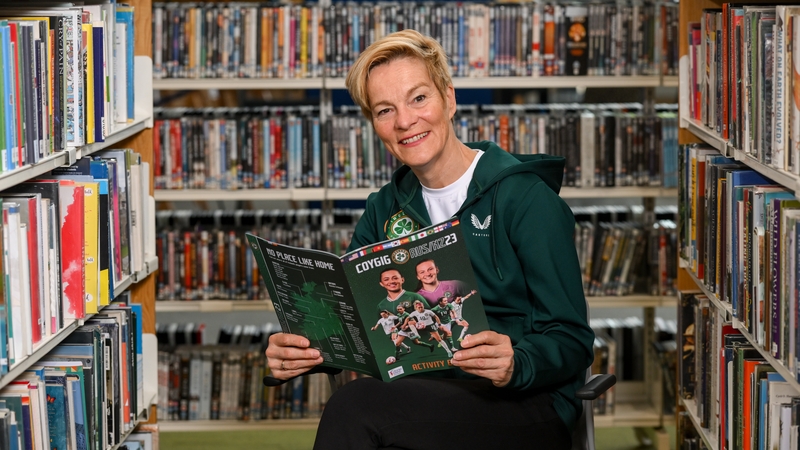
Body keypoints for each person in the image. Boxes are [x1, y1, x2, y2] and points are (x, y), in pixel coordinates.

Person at [265, 29, 594, 449]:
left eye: (419, 98)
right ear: (374, 125)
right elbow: (355, 323)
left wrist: (517, 362)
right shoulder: (384, 208)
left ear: (449, 99)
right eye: (385, 110)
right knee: (365, 409)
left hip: (523, 401)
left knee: (355, 407)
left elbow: (572, 338)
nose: (405, 121)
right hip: (421, 397)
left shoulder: (526, 199)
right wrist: (296, 353)